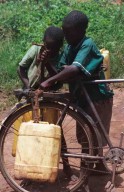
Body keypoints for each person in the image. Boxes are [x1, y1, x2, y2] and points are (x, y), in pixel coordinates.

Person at [40, 10, 114, 178]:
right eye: (64, 31)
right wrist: (47, 64)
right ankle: (97, 167)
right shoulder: (70, 47)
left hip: (97, 98)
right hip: (82, 98)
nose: (65, 35)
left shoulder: (87, 44)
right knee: (86, 136)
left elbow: (73, 69)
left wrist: (49, 81)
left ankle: (85, 178)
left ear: (81, 31)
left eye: (68, 32)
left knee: (92, 137)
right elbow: (59, 75)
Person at [17, 25, 64, 90]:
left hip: (48, 93)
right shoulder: (35, 50)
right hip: (30, 88)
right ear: (43, 41)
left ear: (60, 45)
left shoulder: (61, 58)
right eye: (47, 46)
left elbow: (59, 81)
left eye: (53, 48)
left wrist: (47, 62)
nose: (48, 50)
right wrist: (27, 87)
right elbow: (20, 68)